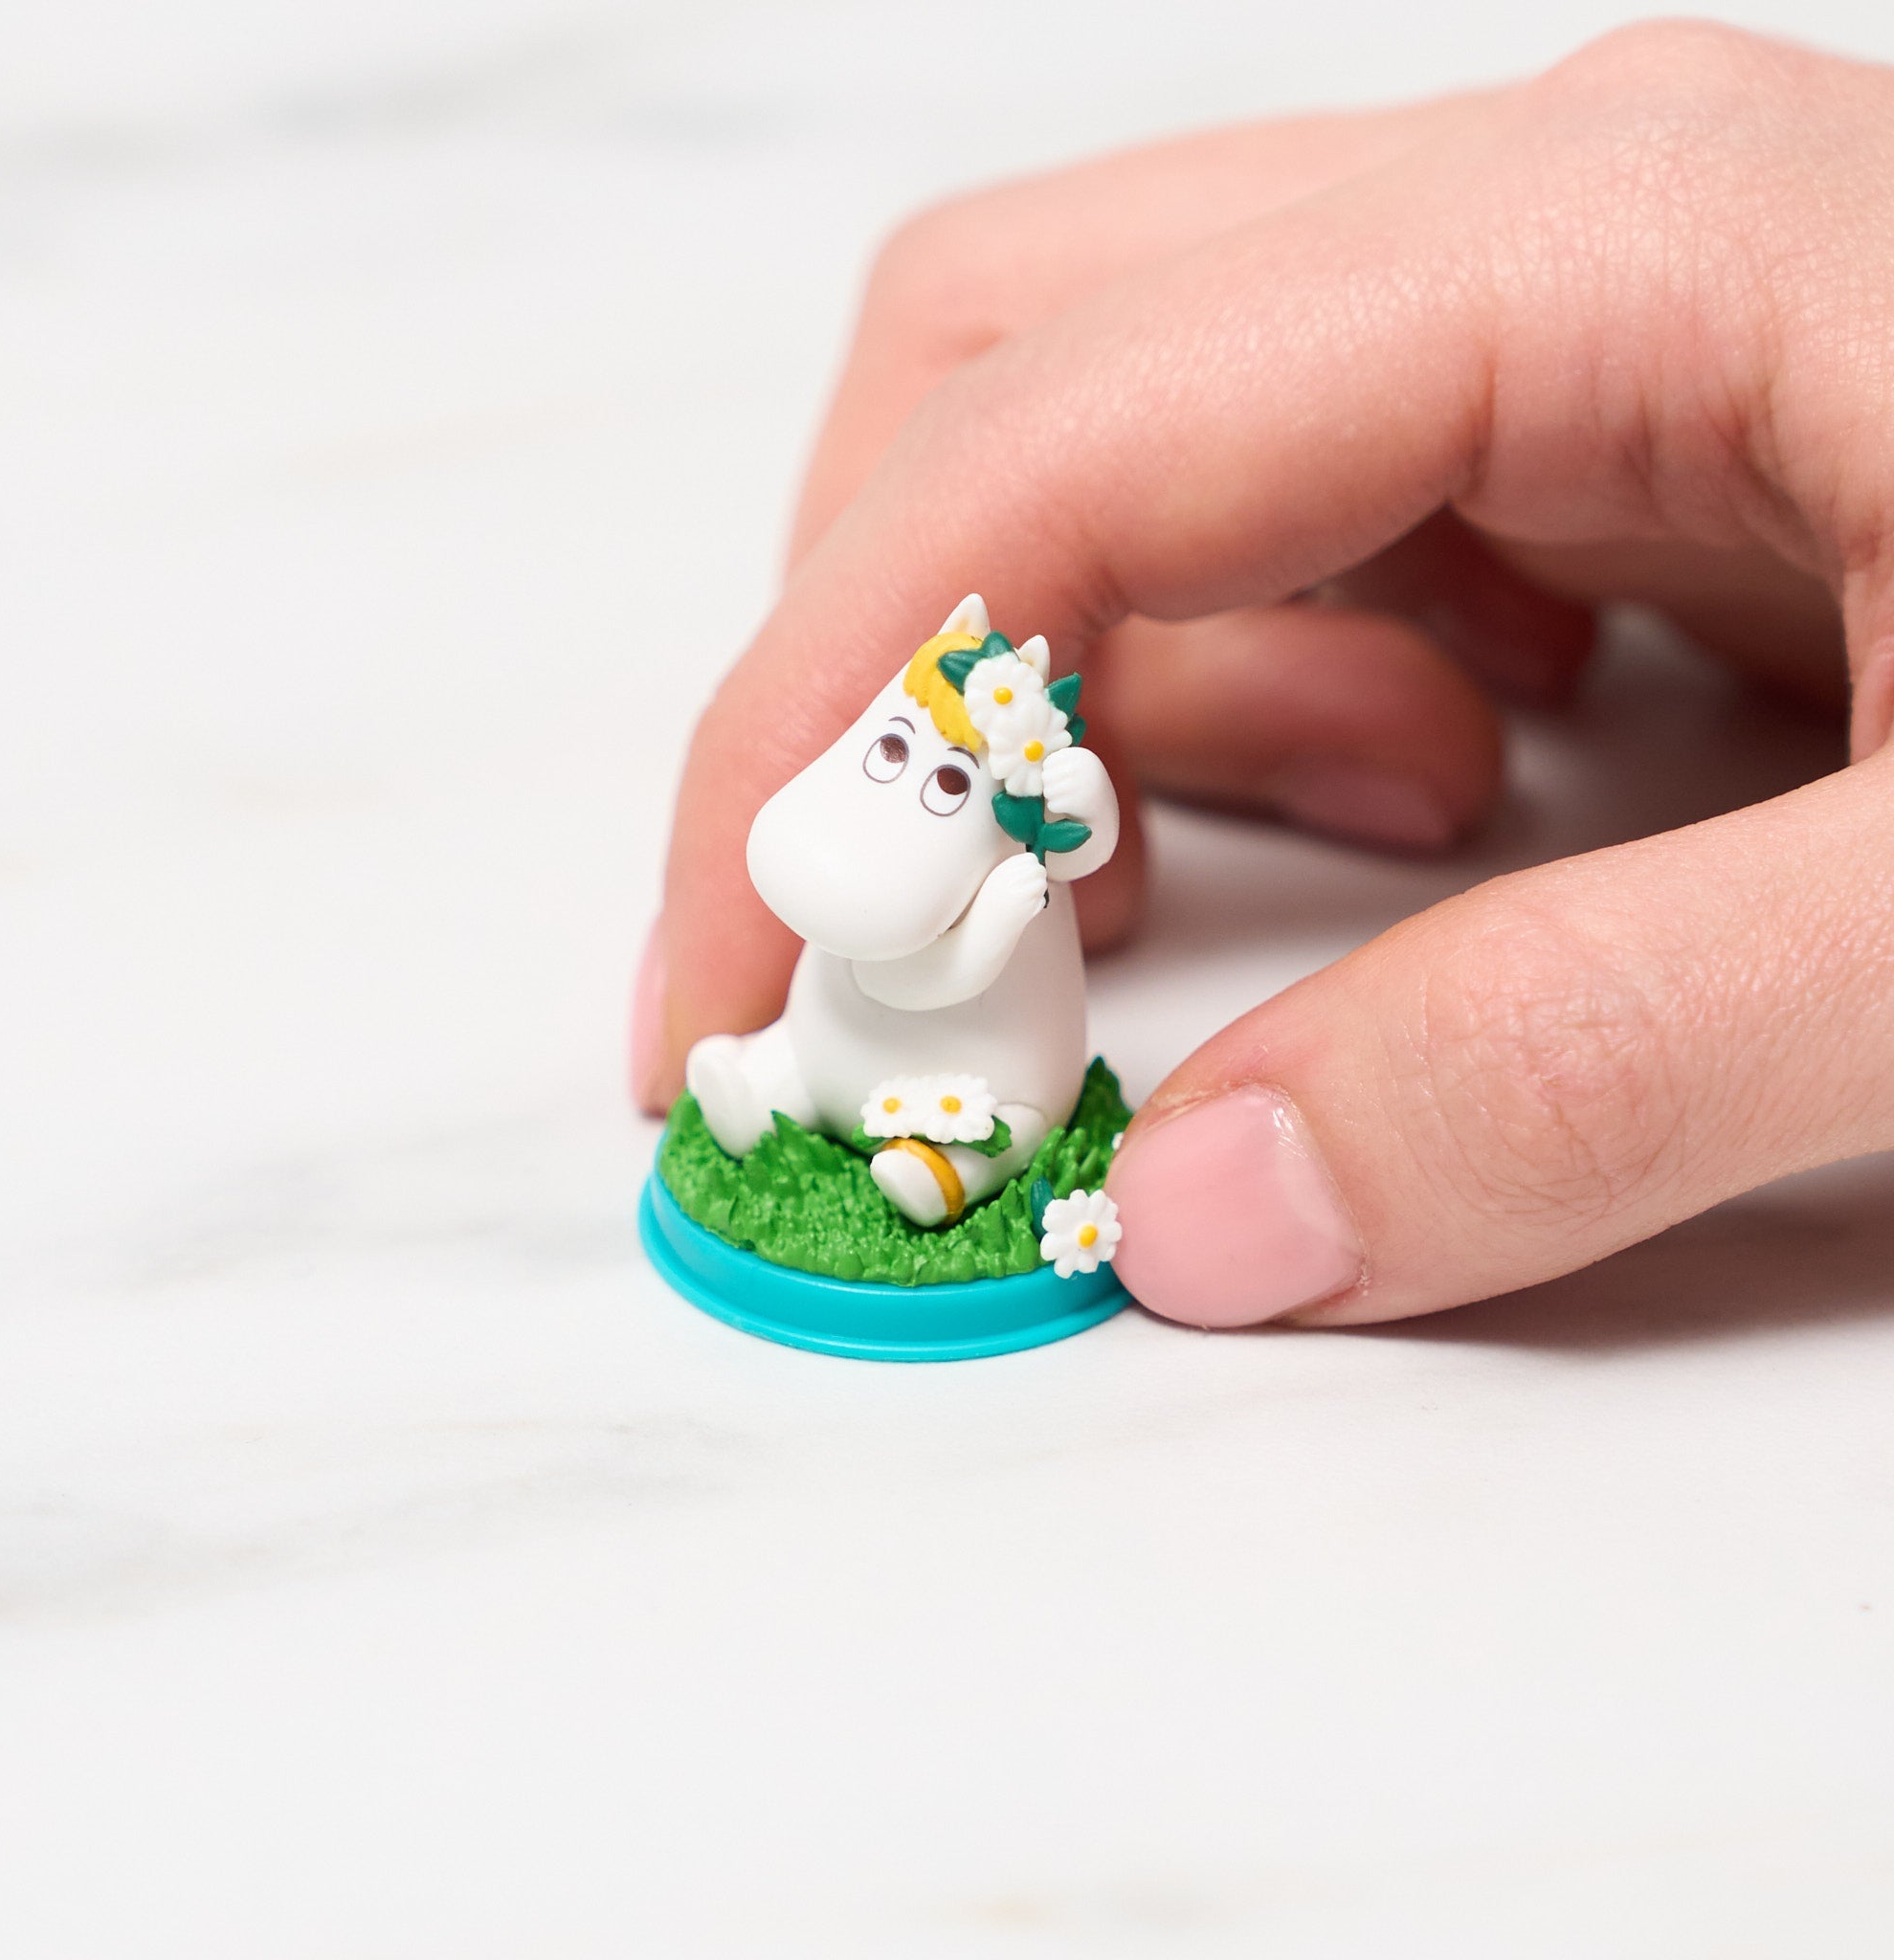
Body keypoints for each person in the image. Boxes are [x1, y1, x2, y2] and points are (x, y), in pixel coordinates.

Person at [629, 21, 1894, 1330]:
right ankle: (771, 1079)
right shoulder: (893, 821)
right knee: (799, 1039)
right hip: (850, 1016)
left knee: (968, 1115)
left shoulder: (997, 887)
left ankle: (938, 1165)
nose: (893, 775)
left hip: (968, 1081)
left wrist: (1004, 898)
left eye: (931, 773)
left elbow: (958, 957)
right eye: (894, 751)